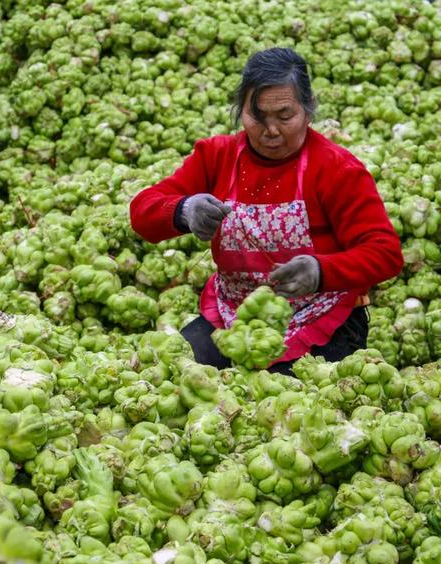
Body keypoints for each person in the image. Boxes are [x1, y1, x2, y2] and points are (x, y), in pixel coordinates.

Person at [130, 47, 403, 374]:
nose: (270, 130)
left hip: (320, 317)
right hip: (235, 313)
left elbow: (385, 253)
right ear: (240, 110)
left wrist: (320, 271)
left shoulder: (336, 169)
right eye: (257, 117)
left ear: (307, 110)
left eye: (284, 116)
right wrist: (183, 210)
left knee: (284, 397)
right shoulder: (217, 157)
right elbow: (143, 212)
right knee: (170, 370)